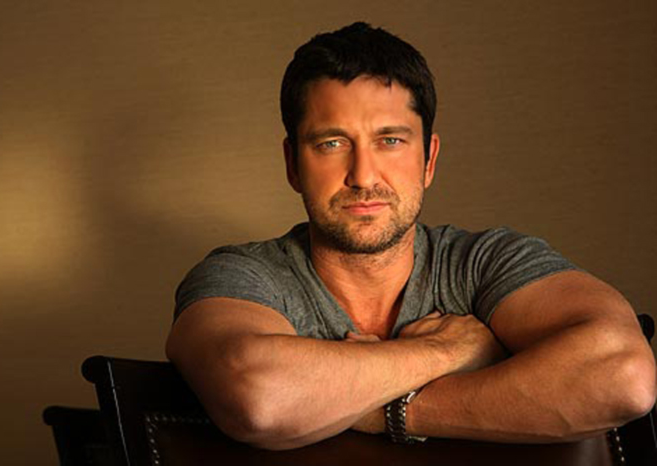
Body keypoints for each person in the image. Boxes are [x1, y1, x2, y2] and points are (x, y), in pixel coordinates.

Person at [166, 22, 656, 451]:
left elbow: (626, 375)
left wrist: (391, 412)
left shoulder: (486, 263)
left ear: (429, 160)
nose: (363, 175)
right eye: (331, 143)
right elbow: (259, 396)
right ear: (293, 163)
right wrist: (449, 352)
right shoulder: (242, 276)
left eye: (390, 141)